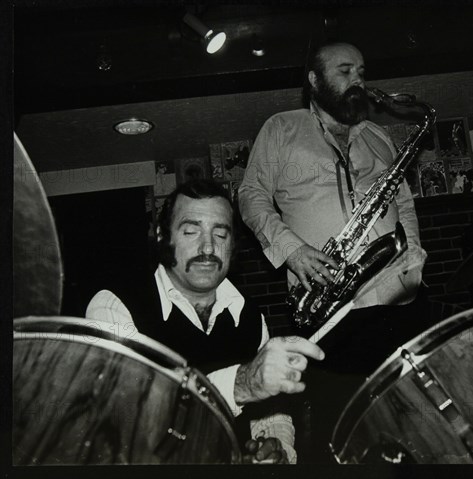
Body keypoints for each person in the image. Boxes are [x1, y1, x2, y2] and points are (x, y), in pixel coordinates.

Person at [238, 42, 428, 461]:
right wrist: (292, 251)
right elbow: (251, 195)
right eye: (344, 71)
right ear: (314, 81)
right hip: (330, 310)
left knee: (418, 425)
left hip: (398, 302)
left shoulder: (377, 137)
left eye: (361, 70)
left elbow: (406, 202)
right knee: (346, 436)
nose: (357, 79)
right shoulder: (281, 128)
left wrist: (413, 250)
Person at [86, 179, 325, 464]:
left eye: (221, 234)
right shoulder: (114, 305)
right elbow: (125, 417)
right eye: (190, 231)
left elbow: (272, 410)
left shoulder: (250, 317)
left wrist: (278, 446)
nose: (208, 247)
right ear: (163, 236)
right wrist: (241, 384)